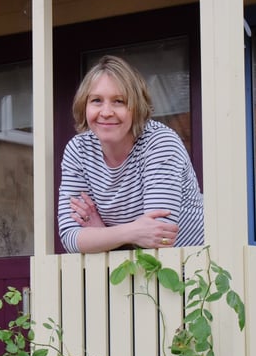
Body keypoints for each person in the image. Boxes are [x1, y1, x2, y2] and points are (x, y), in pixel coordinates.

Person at [58, 55, 205, 253]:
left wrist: (101, 234)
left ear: (136, 107)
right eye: (96, 100)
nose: (106, 112)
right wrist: (131, 232)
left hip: (193, 265)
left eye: (119, 101)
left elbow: (159, 238)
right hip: (129, 270)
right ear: (84, 105)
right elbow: (70, 238)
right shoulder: (78, 150)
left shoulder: (159, 143)